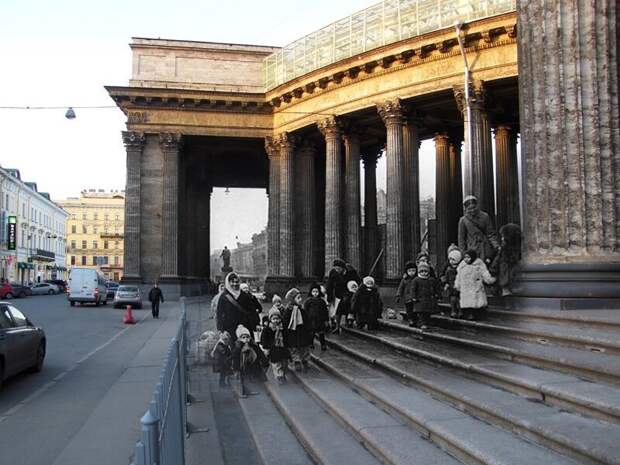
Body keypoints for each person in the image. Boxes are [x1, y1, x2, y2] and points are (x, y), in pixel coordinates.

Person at [454, 249, 496, 320]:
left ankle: (478, 313)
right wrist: (457, 285)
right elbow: (458, 276)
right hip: (466, 287)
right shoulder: (462, 266)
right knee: (467, 301)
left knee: (477, 300)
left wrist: (489, 280)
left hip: (476, 286)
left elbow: (484, 273)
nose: (466, 259)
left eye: (468, 257)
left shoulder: (479, 264)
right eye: (465, 257)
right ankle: (469, 314)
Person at [458, 196, 500, 266]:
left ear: (477, 206)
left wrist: (496, 246)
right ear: (465, 209)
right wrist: (464, 254)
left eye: (474, 207)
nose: (472, 210)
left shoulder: (485, 216)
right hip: (472, 250)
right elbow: (461, 240)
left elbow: (490, 234)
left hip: (486, 249)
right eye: (469, 209)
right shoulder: (463, 220)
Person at [232, 325, 267, 397]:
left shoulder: (253, 345)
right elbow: (235, 358)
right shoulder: (238, 347)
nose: (246, 339)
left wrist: (264, 361)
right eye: (243, 337)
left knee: (251, 378)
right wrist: (236, 368)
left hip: (251, 365)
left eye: (247, 337)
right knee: (243, 379)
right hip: (242, 366)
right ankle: (243, 392)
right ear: (239, 339)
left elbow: (259, 353)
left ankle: (250, 389)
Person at [282, 288, 313, 372]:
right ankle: (297, 361)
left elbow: (306, 320)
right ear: (292, 300)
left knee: (304, 347)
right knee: (294, 348)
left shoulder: (302, 310)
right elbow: (285, 322)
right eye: (298, 298)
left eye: (300, 297)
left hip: (302, 332)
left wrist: (309, 329)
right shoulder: (288, 311)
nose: (300, 300)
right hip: (293, 333)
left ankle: (305, 360)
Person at [260, 307, 290, 384]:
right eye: (274, 319)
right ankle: (279, 376)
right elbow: (264, 339)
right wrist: (266, 347)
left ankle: (283, 373)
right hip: (274, 349)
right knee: (276, 364)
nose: (276, 320)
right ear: (270, 319)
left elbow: (287, 336)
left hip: (283, 349)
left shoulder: (283, 327)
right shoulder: (267, 329)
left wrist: (289, 344)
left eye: (277, 318)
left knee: (284, 363)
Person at [216, 272, 245, 342]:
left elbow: (249, 311)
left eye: (237, 282)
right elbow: (219, 314)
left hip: (243, 327)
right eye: (232, 282)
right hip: (228, 328)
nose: (235, 284)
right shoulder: (223, 297)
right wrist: (221, 330)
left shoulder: (244, 295)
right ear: (228, 283)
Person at [411, 262, 440, 330]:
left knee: (427, 312)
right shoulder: (416, 280)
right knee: (421, 313)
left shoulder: (431, 280)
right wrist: (413, 297)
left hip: (428, 299)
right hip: (419, 299)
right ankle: (422, 323)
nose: (424, 273)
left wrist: (437, 295)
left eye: (425, 271)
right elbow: (413, 289)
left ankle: (426, 322)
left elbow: (435, 288)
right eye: (422, 271)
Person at [304, 283, 329, 350]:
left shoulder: (322, 301)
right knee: (311, 333)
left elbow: (325, 311)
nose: (315, 293)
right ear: (311, 292)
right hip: (311, 319)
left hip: (320, 319)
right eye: (313, 292)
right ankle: (310, 343)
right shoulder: (308, 301)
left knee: (321, 333)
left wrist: (326, 320)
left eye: (316, 292)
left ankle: (323, 344)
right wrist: (305, 319)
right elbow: (305, 310)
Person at [440, 245, 463, 318]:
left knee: (459, 299)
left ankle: (460, 311)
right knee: (453, 299)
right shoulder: (448, 269)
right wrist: (445, 283)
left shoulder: (461, 268)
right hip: (451, 286)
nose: (451, 262)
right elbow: (445, 276)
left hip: (459, 286)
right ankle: (453, 310)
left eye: (453, 260)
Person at [396, 261, 417, 326]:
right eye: (410, 271)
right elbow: (401, 287)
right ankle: (410, 319)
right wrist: (398, 295)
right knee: (409, 309)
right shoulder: (405, 279)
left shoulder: (417, 279)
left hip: (415, 297)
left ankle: (415, 319)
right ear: (407, 272)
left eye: (413, 270)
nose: (411, 272)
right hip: (407, 297)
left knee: (415, 309)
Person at [326, 258, 347, 323]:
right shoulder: (333, 273)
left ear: (343, 268)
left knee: (342, 309)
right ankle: (334, 322)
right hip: (335, 294)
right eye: (336, 268)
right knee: (334, 310)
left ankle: (346, 322)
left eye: (338, 269)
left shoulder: (347, 273)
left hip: (344, 294)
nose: (337, 270)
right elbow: (329, 286)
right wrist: (329, 298)